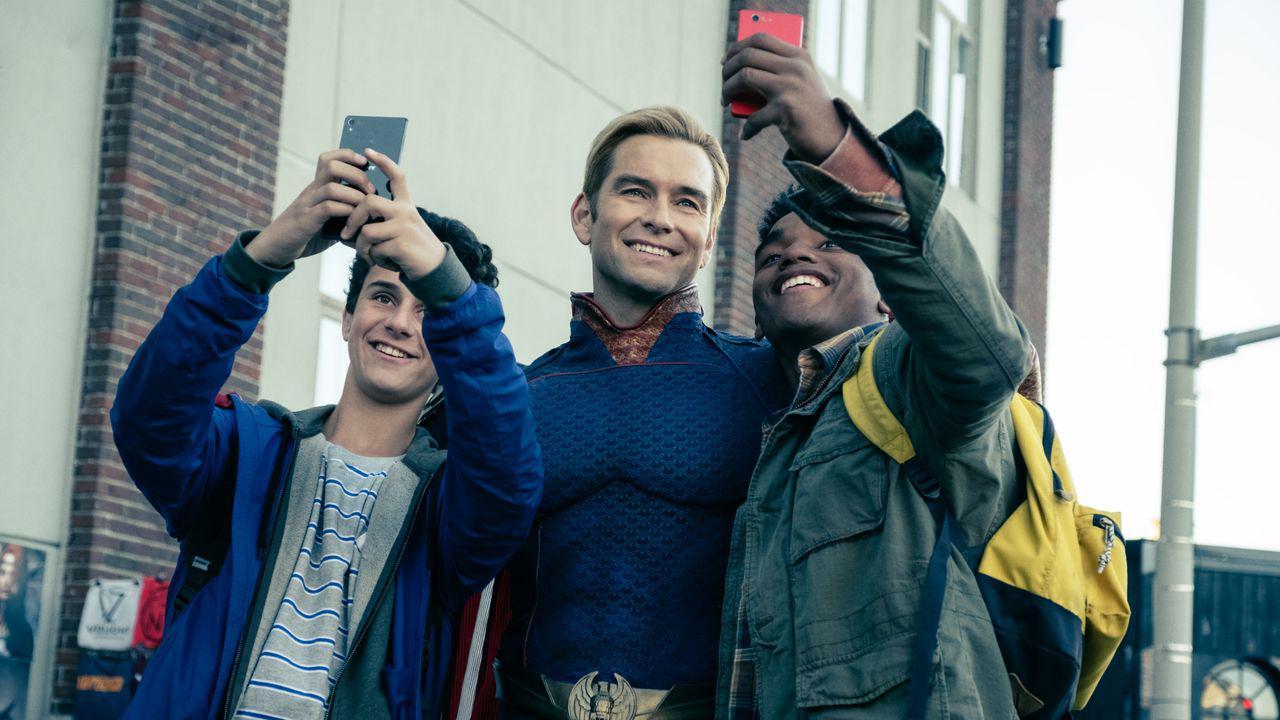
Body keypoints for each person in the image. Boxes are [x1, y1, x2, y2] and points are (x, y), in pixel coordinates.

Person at [110, 147, 542, 720]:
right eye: (384, 297)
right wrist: (263, 256)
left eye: (427, 312)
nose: (399, 323)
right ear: (347, 317)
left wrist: (450, 289)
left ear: (451, 347)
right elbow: (149, 416)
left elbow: (508, 480)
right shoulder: (246, 454)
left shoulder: (446, 511)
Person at [716, 33, 1034, 719]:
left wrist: (837, 152)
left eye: (829, 242)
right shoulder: (759, 430)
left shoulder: (904, 379)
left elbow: (991, 361)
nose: (793, 256)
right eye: (772, 253)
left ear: (890, 296)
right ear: (756, 314)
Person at [449, 108, 790, 719]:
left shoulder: (770, 382)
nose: (660, 217)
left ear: (710, 238)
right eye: (636, 191)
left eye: (687, 202)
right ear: (585, 215)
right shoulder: (521, 392)